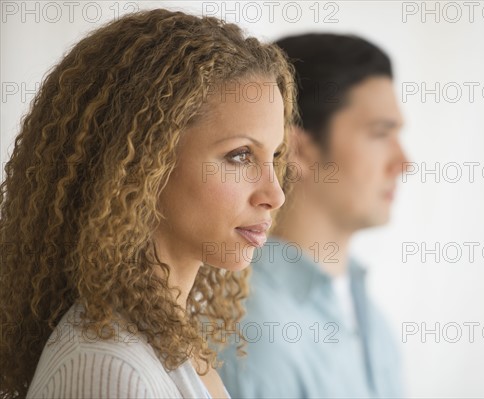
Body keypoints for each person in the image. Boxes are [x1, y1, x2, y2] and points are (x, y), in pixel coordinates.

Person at [0, 9, 297, 398]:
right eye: (240, 155)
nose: (275, 195)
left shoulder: (166, 338)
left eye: (273, 157)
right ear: (142, 164)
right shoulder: (108, 368)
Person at [218, 33, 409, 398]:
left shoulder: (372, 321)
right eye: (380, 134)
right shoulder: (252, 333)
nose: (404, 162)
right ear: (301, 150)